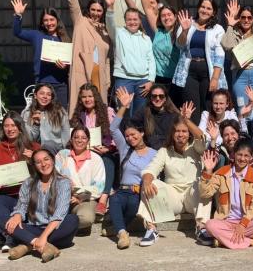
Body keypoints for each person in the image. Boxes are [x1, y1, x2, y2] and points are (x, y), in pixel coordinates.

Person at [137, 113, 211, 247]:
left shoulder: (196, 148)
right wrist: (147, 181)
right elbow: (151, 169)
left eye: (184, 131)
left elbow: (202, 137)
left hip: (192, 196)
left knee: (203, 183)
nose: (180, 134)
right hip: (173, 197)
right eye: (177, 131)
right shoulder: (164, 151)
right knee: (149, 182)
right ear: (172, 133)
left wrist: (186, 120)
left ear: (189, 134)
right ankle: (151, 229)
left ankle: (202, 228)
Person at [116, 0, 180, 94]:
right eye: (148, 2)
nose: (150, 5)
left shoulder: (171, 26)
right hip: (152, 74)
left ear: (158, 4)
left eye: (153, 2)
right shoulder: (142, 20)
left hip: (172, 75)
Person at [5, 150, 78, 262]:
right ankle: (44, 246)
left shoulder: (64, 182)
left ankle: (28, 246)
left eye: (46, 159)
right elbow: (22, 205)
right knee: (6, 221)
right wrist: (18, 214)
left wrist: (43, 237)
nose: (43, 164)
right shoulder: (28, 183)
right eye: (38, 162)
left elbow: (59, 214)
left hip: (56, 230)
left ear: (53, 160)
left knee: (72, 220)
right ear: (34, 166)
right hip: (34, 227)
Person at [107, 87, 158, 249]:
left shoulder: (154, 153)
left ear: (142, 133)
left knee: (133, 208)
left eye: (133, 134)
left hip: (138, 194)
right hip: (122, 191)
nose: (130, 138)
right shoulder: (125, 149)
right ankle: (122, 234)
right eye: (127, 136)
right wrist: (124, 107)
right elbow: (113, 129)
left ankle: (116, 227)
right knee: (114, 198)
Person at [63, 0, 112, 115]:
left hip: (99, 76)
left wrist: (108, 79)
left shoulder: (105, 29)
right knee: (79, 110)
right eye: (93, 9)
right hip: (81, 72)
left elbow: (106, 57)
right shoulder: (80, 21)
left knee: (99, 113)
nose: (96, 13)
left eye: (99, 10)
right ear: (88, 9)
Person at [200, 140, 253, 249]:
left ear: (251, 157)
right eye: (240, 154)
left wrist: (243, 224)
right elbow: (205, 193)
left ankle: (224, 241)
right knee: (210, 225)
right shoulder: (222, 173)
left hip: (247, 221)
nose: (242, 159)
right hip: (226, 222)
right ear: (233, 154)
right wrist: (208, 171)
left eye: (246, 156)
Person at [0, 112, 41, 251]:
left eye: (13, 125)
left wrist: (34, 160)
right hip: (6, 195)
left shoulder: (34, 147)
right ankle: (9, 235)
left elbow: (46, 173)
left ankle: (9, 236)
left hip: (29, 195)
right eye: (6, 126)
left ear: (20, 127)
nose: (10, 129)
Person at [174, 0, 227, 124]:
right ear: (198, 8)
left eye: (209, 8)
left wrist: (214, 78)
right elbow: (180, 45)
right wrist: (185, 31)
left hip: (208, 73)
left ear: (213, 12)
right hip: (189, 71)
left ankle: (209, 138)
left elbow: (220, 55)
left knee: (208, 107)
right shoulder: (188, 23)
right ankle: (194, 138)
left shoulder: (218, 29)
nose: (205, 10)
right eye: (203, 7)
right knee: (191, 107)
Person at [10, 0, 71, 107]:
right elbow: (17, 32)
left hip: (61, 84)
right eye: (45, 20)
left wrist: (65, 67)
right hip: (42, 83)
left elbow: (70, 64)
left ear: (57, 21)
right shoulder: (37, 35)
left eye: (52, 19)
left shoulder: (65, 39)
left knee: (61, 116)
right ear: (42, 23)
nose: (49, 23)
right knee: (43, 116)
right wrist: (18, 15)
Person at [105, 0, 156, 114]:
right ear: (125, 21)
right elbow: (110, 23)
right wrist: (110, 7)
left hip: (143, 82)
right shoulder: (118, 33)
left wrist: (151, 80)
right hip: (124, 80)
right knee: (124, 113)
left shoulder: (146, 38)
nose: (132, 22)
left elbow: (151, 60)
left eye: (135, 19)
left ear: (140, 21)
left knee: (141, 114)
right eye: (129, 20)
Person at [69, 83, 115, 215]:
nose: (87, 99)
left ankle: (103, 199)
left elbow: (115, 135)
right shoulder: (78, 115)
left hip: (104, 151)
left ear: (96, 97)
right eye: (84, 97)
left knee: (107, 160)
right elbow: (73, 136)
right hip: (84, 152)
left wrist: (108, 148)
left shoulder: (108, 112)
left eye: (90, 96)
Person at [54, 126, 106, 233]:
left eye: (83, 137)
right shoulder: (62, 155)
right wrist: (67, 194)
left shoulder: (96, 159)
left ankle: (57, 226)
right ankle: (63, 225)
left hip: (85, 200)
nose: (79, 140)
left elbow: (98, 188)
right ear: (71, 139)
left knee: (86, 218)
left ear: (88, 140)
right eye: (76, 137)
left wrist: (79, 197)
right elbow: (54, 177)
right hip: (61, 198)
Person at [22, 83, 70, 155]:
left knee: (49, 144)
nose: (45, 96)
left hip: (56, 149)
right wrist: (36, 125)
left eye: (48, 94)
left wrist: (65, 151)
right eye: (42, 93)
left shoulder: (59, 111)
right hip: (35, 150)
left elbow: (66, 132)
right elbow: (29, 139)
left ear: (51, 98)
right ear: (35, 95)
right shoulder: (27, 113)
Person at [131, 84, 180, 150]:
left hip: (168, 151)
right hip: (149, 150)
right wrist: (125, 107)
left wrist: (186, 119)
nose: (157, 98)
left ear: (165, 98)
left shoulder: (173, 115)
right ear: (150, 98)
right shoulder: (144, 111)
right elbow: (130, 125)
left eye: (161, 96)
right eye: (154, 96)